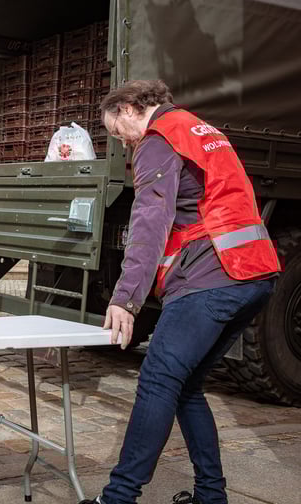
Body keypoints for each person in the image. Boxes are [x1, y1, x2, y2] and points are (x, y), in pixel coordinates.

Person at [80, 80, 279, 504]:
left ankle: (117, 498)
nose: (120, 140)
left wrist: (126, 297)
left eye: (117, 130)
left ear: (132, 108)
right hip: (255, 272)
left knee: (157, 380)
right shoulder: (201, 129)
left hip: (213, 274)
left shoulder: (159, 139)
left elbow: (150, 219)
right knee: (186, 386)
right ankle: (211, 496)